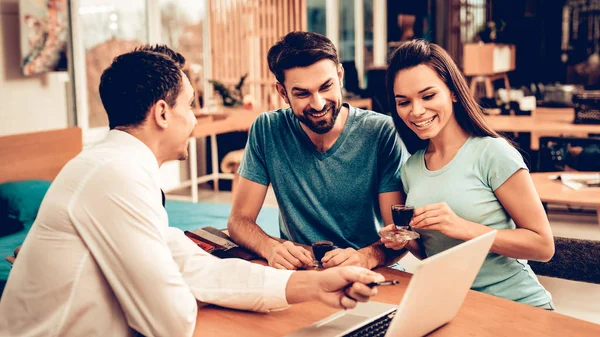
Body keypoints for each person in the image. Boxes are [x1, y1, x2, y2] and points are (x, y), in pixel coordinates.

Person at [0, 45, 386, 337]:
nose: (195, 119)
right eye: (191, 105)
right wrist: (186, 283)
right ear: (162, 113)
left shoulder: (117, 169)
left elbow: (197, 266)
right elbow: (170, 320)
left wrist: (315, 286)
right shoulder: (115, 177)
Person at [380, 39, 555, 309]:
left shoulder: (492, 152)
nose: (416, 111)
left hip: (516, 305)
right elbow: (433, 252)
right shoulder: (412, 167)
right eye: (404, 102)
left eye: (428, 96)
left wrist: (464, 228)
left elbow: (543, 246)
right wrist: (405, 240)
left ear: (452, 92)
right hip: (453, 307)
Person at [227, 32, 410, 271]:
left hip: (368, 273)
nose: (318, 104)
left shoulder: (381, 132)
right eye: (302, 93)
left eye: (326, 87)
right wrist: (269, 247)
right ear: (283, 93)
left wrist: (366, 257)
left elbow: (400, 235)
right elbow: (239, 221)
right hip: (302, 275)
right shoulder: (267, 129)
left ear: (340, 76)